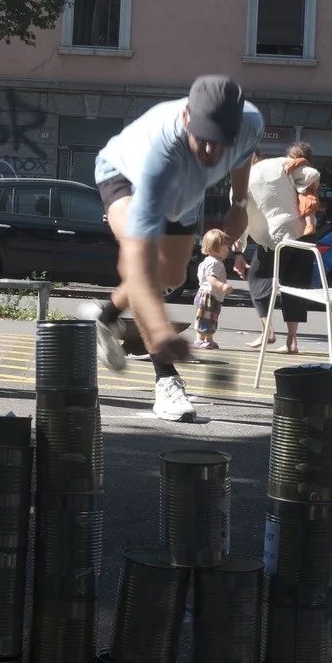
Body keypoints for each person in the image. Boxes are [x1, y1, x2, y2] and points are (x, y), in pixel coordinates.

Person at [78, 76, 264, 422]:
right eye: (202, 138)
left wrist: (239, 204)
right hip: (124, 177)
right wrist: (162, 331)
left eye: (220, 142)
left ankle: (104, 315)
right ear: (185, 119)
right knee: (148, 275)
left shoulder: (250, 123)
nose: (210, 152)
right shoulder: (158, 156)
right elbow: (136, 265)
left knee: (173, 277)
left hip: (182, 197)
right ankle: (166, 382)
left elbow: (242, 158)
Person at [231, 142, 320, 354]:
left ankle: (267, 331)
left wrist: (238, 254)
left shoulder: (239, 184)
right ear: (258, 156)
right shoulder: (279, 164)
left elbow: (239, 222)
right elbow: (312, 173)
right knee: (295, 285)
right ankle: (291, 342)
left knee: (258, 279)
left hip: (275, 239)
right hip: (304, 233)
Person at [193, 228, 232, 351]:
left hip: (212, 296)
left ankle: (209, 339)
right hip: (208, 296)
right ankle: (199, 340)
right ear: (218, 248)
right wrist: (222, 286)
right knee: (205, 318)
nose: (228, 250)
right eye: (227, 247)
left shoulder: (213, 261)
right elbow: (210, 278)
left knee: (212, 318)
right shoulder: (214, 262)